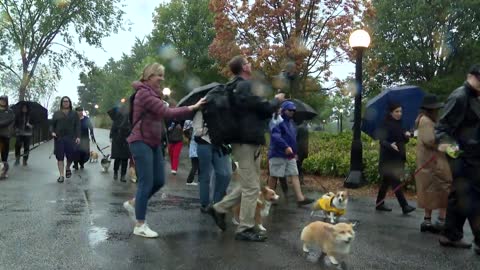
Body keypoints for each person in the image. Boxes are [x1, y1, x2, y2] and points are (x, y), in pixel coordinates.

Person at [207, 55, 285, 242]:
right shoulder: (243, 86)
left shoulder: (234, 86)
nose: (251, 64)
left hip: (246, 141)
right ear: (243, 67)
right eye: (248, 62)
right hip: (245, 142)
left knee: (250, 184)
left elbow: (252, 110)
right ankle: (244, 229)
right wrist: (275, 101)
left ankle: (218, 209)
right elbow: (259, 106)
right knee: (251, 188)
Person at [123, 63, 205, 238]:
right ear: (148, 76)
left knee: (159, 180)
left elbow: (165, 113)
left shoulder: (155, 94)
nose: (162, 78)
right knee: (146, 181)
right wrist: (192, 107)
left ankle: (135, 203)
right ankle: (140, 224)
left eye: (162, 75)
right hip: (140, 140)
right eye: (158, 75)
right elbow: (166, 113)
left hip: (153, 142)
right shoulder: (144, 93)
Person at [435, 64, 480, 254]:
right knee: (473, 197)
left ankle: (450, 235)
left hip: (473, 156)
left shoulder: (474, 98)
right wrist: (456, 152)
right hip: (464, 157)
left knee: (460, 195)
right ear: (471, 76)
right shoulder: (460, 96)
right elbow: (441, 129)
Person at [415, 93, 452, 233]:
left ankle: (428, 221)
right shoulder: (426, 121)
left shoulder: (426, 120)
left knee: (431, 191)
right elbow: (431, 140)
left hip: (430, 163)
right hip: (432, 163)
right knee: (443, 189)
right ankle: (440, 220)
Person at [375, 103, 416, 214]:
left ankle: (379, 203)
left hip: (398, 157)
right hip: (388, 158)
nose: (399, 114)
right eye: (397, 111)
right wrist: (390, 145)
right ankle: (404, 206)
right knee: (395, 182)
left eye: (400, 111)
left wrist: (406, 136)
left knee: (386, 182)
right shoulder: (385, 124)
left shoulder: (400, 124)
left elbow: (402, 140)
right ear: (391, 112)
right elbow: (382, 141)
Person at [193, 110, 232, 212]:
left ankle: (216, 202)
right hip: (204, 144)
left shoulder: (225, 111)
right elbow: (197, 132)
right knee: (205, 175)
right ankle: (204, 204)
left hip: (220, 145)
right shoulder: (201, 111)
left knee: (225, 174)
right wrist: (209, 128)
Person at [51, 96, 80, 183]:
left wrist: (78, 137)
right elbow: (52, 125)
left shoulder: (74, 113)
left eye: (67, 101)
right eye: (64, 101)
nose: (65, 103)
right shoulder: (57, 113)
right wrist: (52, 132)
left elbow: (78, 125)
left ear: (69, 103)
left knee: (70, 156)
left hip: (71, 138)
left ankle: (67, 168)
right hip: (59, 138)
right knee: (60, 157)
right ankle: (61, 175)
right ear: (61, 103)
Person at [110, 106, 130, 182]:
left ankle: (123, 175)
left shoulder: (128, 119)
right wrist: (112, 136)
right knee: (117, 158)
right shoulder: (116, 119)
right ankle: (115, 172)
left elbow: (130, 129)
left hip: (125, 140)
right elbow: (113, 129)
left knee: (125, 159)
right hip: (117, 140)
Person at [0, 96, 15, 179]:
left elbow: (10, 120)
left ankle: (4, 172)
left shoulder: (10, 111)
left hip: (5, 134)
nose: (2, 102)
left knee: (4, 155)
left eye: (4, 100)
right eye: (1, 100)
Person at [295, 119, 309, 185]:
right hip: (304, 149)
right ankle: (301, 179)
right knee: (299, 164)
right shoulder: (306, 129)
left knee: (298, 165)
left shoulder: (298, 128)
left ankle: (299, 179)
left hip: (298, 149)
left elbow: (296, 138)